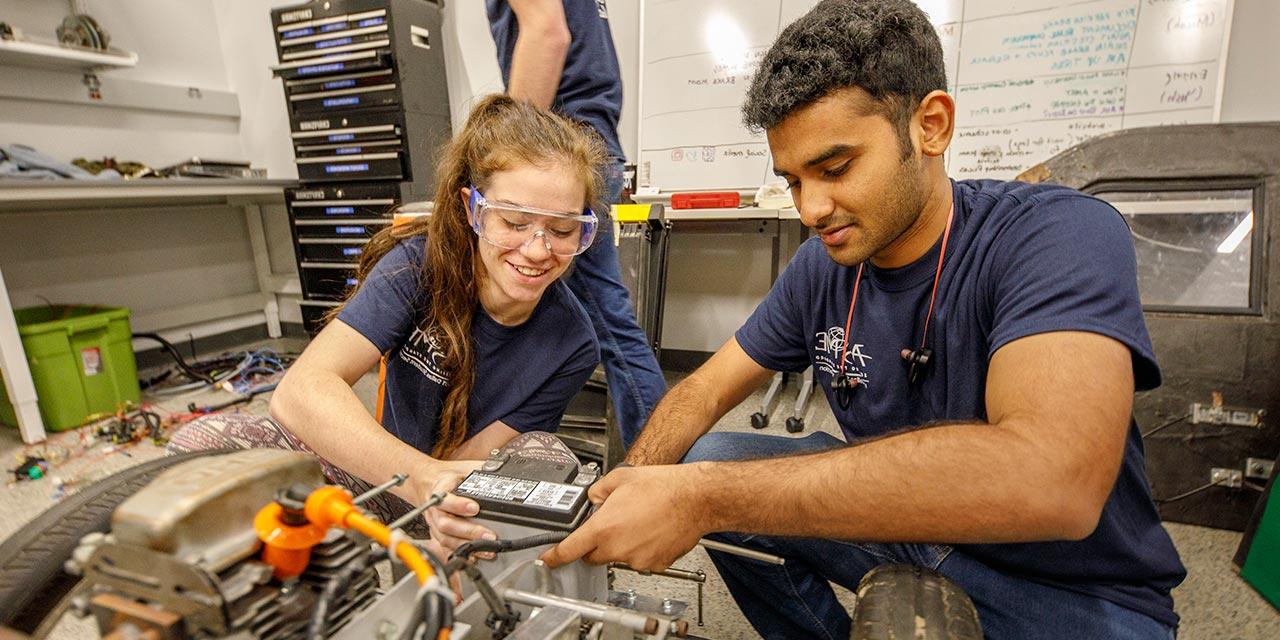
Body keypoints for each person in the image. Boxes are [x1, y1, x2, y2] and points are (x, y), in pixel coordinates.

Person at [537, 1, 1187, 638]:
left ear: (930, 126)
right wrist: (634, 481)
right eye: (792, 181)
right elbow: (705, 390)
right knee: (711, 453)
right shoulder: (824, 266)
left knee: (718, 482)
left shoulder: (1057, 234)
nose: (812, 209)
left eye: (837, 168)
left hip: (1062, 589)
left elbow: (1057, 482)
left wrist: (705, 496)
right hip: (907, 532)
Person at [168, 95, 604, 546]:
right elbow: (300, 391)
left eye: (562, 230)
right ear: (471, 208)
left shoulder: (572, 343)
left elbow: (476, 459)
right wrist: (416, 476)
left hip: (459, 495)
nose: (537, 250)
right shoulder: (415, 267)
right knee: (203, 443)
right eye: (513, 222)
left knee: (549, 465)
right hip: (382, 475)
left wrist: (445, 514)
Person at [485, 0, 666, 447]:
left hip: (563, 153)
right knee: (596, 318)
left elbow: (548, 34)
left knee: (610, 327)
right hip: (587, 145)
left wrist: (507, 156)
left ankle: (665, 468)